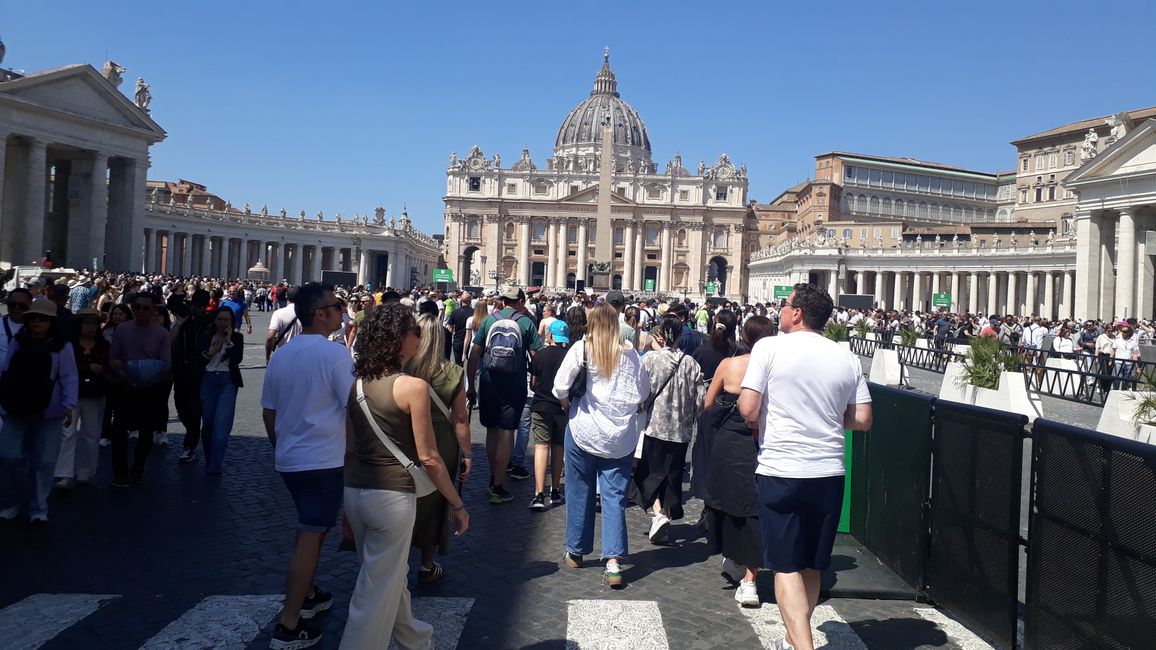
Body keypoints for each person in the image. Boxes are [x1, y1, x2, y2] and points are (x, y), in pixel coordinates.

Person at [738, 284, 873, 650]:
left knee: (785, 565)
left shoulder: (769, 347)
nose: (780, 311)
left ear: (796, 313)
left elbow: (748, 409)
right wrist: (826, 416)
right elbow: (863, 418)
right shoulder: (846, 356)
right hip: (828, 472)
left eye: (784, 306)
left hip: (781, 469)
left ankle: (803, 646)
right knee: (813, 564)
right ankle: (793, 637)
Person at [342, 304, 469, 649]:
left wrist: (345, 509)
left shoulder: (357, 384)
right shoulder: (412, 387)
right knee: (372, 594)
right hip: (391, 499)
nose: (420, 337)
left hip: (356, 493)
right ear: (399, 341)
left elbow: (350, 451)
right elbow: (429, 457)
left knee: (390, 581)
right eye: (414, 331)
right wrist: (456, 503)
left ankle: (417, 641)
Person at [262, 283, 352, 649]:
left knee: (308, 528)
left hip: (290, 460)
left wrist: (280, 445)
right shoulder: (334, 356)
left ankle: (310, 593)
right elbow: (352, 405)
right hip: (323, 459)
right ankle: (288, 622)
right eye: (336, 306)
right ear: (320, 313)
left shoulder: (281, 354)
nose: (341, 311)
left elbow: (268, 412)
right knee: (312, 535)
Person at [552, 304, 651, 588]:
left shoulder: (582, 348)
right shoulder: (631, 353)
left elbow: (559, 387)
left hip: (584, 431)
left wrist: (567, 404)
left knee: (579, 489)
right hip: (620, 438)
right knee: (614, 497)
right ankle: (614, 563)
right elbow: (643, 391)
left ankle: (575, 551)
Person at [703, 316, 775, 607]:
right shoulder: (773, 369)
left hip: (728, 440)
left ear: (744, 336)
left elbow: (708, 403)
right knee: (751, 507)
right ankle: (750, 579)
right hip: (760, 441)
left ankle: (734, 560)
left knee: (728, 501)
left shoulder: (729, 365)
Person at [403, 313, 472, 584]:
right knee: (436, 500)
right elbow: (461, 418)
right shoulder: (453, 373)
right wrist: (467, 453)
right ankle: (427, 563)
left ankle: (397, 554)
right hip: (441, 439)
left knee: (405, 493)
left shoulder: (402, 369)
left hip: (407, 434)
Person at [0, 300, 77, 523]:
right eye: (33, 318)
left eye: (42, 319)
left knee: (44, 460)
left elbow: (69, 377)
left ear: (51, 322)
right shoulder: (18, 341)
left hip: (49, 410)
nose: (37, 322)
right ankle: (11, 500)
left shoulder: (62, 346)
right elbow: (6, 369)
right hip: (16, 406)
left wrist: (69, 405)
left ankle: (38, 507)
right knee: (7, 455)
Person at [633, 314, 706, 544]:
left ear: (661, 335)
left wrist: (641, 407)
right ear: (681, 336)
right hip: (681, 431)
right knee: (671, 474)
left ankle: (658, 514)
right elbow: (700, 401)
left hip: (655, 426)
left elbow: (640, 392)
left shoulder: (650, 360)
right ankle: (663, 514)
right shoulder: (691, 363)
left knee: (651, 472)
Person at [466, 287, 542, 505]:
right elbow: (536, 355)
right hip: (514, 384)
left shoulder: (490, 321)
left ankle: (493, 475)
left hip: (489, 383)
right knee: (507, 432)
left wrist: (471, 384)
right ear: (520, 301)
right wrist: (535, 380)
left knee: (491, 430)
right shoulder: (526, 322)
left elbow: (474, 354)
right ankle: (499, 486)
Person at [109, 293, 172, 487]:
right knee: (119, 431)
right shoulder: (122, 330)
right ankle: (120, 473)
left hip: (150, 389)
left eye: (146, 308)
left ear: (153, 310)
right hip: (125, 386)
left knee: (146, 433)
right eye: (137, 307)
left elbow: (166, 363)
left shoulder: (162, 334)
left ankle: (137, 468)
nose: (140, 311)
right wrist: (126, 376)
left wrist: (146, 376)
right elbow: (113, 358)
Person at [53, 309, 109, 491]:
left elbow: (109, 367)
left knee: (91, 435)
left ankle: (85, 472)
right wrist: (87, 366)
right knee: (66, 434)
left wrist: (102, 370)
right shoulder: (69, 345)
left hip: (95, 394)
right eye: (87, 323)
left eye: (94, 324)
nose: (90, 327)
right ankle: (64, 473)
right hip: (71, 394)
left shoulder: (104, 345)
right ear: (80, 326)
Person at [528, 319, 569, 510]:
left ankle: (538, 494)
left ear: (550, 336)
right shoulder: (569, 356)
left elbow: (533, 384)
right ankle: (554, 490)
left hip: (541, 405)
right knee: (558, 447)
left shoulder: (540, 356)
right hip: (562, 409)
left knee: (541, 448)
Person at [198, 307, 244, 474]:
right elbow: (197, 360)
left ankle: (215, 465)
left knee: (222, 423)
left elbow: (238, 358)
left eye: (227, 320)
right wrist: (210, 354)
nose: (223, 322)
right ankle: (210, 458)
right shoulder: (205, 337)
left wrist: (229, 342)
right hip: (208, 379)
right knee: (208, 423)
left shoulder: (237, 338)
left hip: (228, 381)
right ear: (214, 320)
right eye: (220, 319)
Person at [172, 290, 210, 463]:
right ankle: (193, 431)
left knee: (194, 409)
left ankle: (190, 443)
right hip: (182, 368)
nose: (198, 310)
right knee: (180, 406)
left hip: (199, 369)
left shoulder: (208, 320)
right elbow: (171, 304)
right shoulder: (185, 318)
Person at [266, 285, 302, 361]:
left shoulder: (279, 313)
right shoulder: (309, 314)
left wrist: (268, 356)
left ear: (286, 295)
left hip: (284, 354)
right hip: (303, 356)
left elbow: (270, 337)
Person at [446, 291, 472, 365]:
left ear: (461, 301)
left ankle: (460, 376)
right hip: (470, 341)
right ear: (469, 301)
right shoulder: (474, 312)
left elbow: (450, 328)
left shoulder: (455, 312)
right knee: (471, 363)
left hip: (458, 340)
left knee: (458, 364)